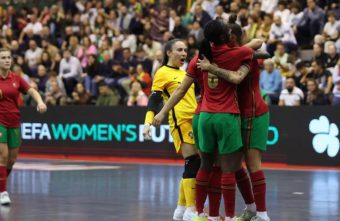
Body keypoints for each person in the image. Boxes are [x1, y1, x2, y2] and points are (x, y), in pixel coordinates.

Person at [153, 19, 257, 221]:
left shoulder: (197, 59)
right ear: (223, 37)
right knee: (229, 168)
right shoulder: (236, 54)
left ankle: (199, 213)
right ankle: (229, 216)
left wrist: (162, 112)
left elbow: (181, 90)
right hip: (226, 116)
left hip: (204, 116)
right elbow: (257, 46)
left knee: (204, 166)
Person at [197, 22, 272, 221]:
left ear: (233, 38)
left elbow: (240, 74)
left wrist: (211, 67)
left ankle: (262, 215)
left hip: (252, 113)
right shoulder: (227, 54)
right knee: (235, 166)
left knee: (252, 163)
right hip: (233, 114)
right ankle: (250, 209)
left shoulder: (241, 56)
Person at [142, 39, 200, 221]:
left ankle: (181, 209)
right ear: (168, 52)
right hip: (180, 120)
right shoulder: (162, 72)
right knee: (193, 161)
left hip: (194, 119)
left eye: (185, 50)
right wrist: (148, 123)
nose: (184, 53)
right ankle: (192, 210)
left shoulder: (185, 72)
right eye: (179, 50)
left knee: (194, 162)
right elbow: (154, 99)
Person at [0, 48, 47, 204]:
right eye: (3, 58)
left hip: (14, 120)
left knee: (11, 160)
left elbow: (31, 91)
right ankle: (3, 193)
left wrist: (39, 101)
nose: (6, 60)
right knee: (3, 156)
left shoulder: (16, 78)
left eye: (8, 57)